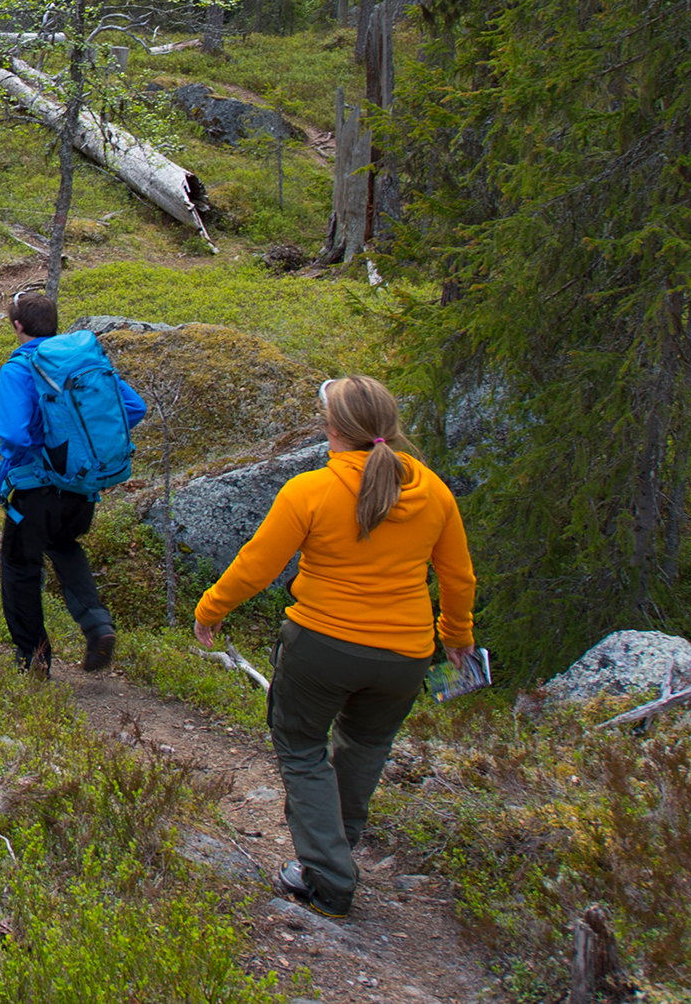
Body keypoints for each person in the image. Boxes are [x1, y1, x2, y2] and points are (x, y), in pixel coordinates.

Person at [194, 373, 479, 921]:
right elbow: (458, 578)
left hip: (321, 644)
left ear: (331, 427)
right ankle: (335, 854)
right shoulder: (433, 491)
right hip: (406, 655)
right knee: (364, 749)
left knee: (301, 746)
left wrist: (212, 609)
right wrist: (458, 640)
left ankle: (327, 878)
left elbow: (259, 564)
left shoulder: (311, 490)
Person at [0, 288, 148, 677]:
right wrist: (79, 447)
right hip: (81, 488)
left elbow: (13, 435)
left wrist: (29, 460)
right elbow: (133, 408)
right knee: (64, 543)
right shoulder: (80, 362)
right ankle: (96, 624)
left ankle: (33, 659)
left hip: (35, 488)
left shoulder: (17, 369)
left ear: (17, 326)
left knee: (19, 565)